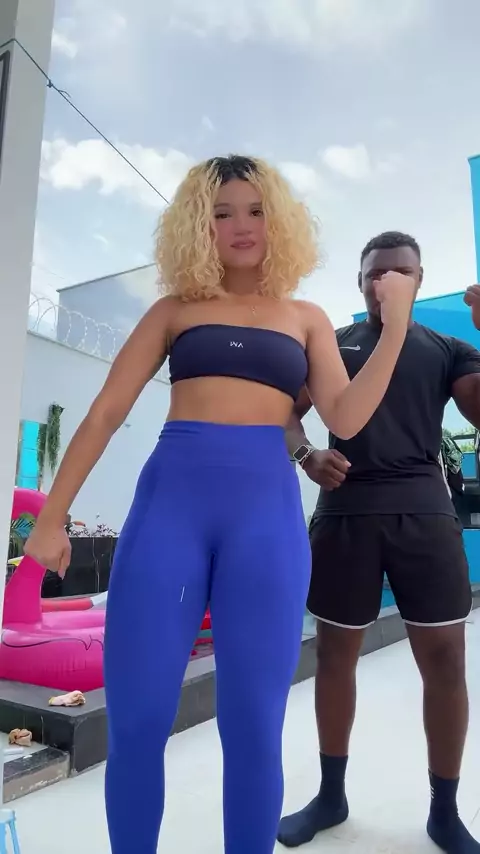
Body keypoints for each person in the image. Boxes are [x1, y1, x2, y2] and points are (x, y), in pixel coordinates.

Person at [25, 163, 414, 854]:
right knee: (138, 723)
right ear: (198, 226)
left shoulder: (305, 318)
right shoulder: (175, 310)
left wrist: (394, 328)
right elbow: (105, 412)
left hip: (264, 524)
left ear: (279, 222)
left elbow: (346, 417)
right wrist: (52, 517)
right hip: (168, 515)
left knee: (254, 727)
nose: (240, 225)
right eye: (222, 212)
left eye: (256, 210)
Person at [279, 231, 480, 854]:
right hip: (346, 512)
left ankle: (444, 812)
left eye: (400, 273)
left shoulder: (448, 349)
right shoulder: (333, 342)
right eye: (375, 273)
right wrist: (306, 456)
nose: (386, 283)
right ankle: (330, 796)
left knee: (445, 662)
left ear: (419, 281)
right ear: (360, 281)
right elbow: (284, 411)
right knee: (335, 657)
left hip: (425, 513)